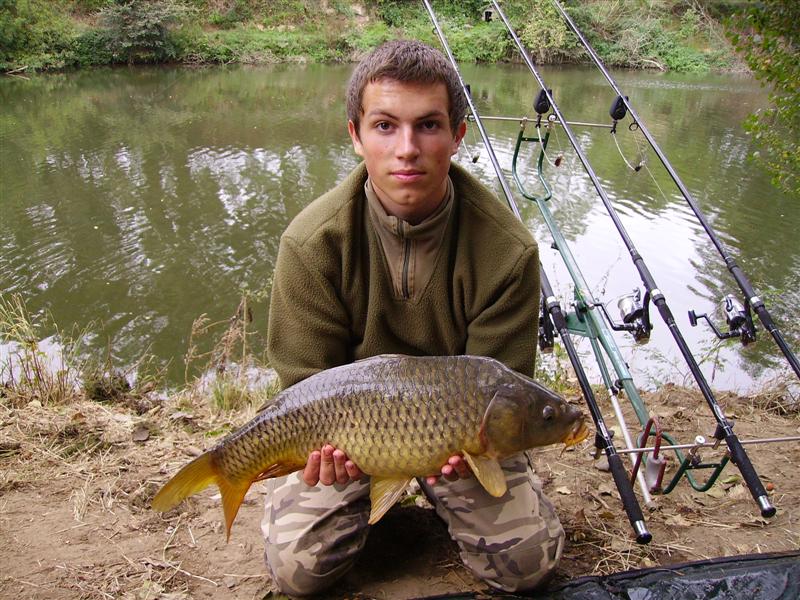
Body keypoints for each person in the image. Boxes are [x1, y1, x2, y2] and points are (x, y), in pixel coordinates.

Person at [262, 40, 563, 596]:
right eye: (384, 126)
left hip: (460, 445)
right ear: (354, 135)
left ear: (458, 135)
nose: (407, 149)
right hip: (351, 438)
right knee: (297, 574)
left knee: (526, 567)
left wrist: (466, 451)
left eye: (428, 125)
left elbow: (502, 398)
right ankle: (353, 506)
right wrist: (330, 459)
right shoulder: (311, 243)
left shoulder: (507, 250)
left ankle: (439, 502)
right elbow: (305, 389)